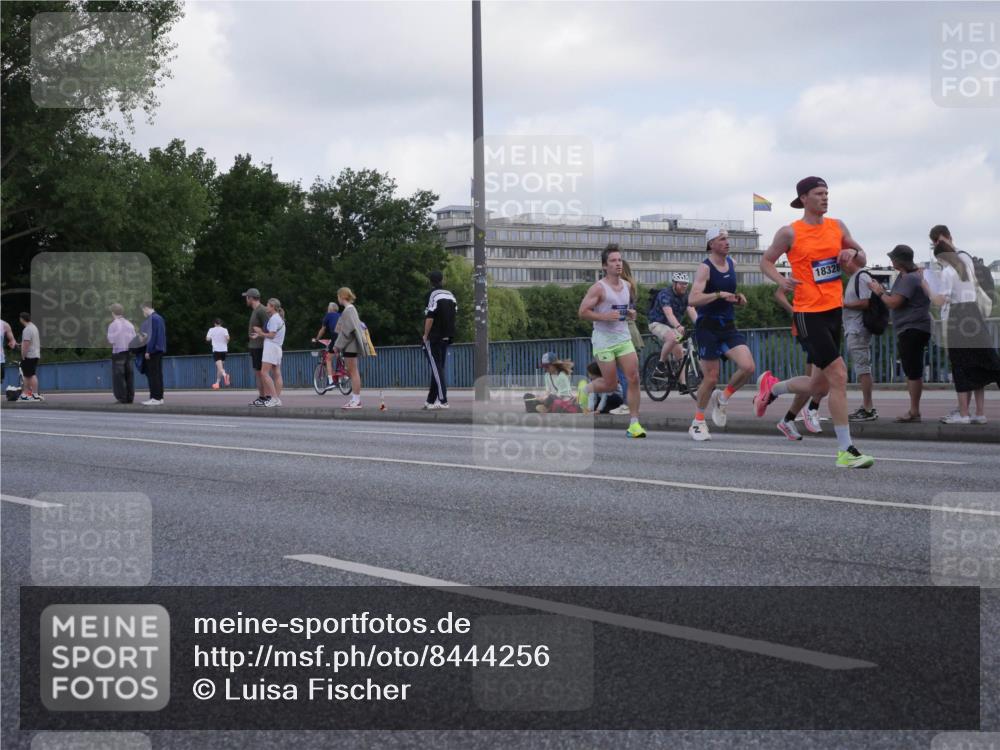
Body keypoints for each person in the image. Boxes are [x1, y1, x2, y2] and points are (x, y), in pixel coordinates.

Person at [758, 176, 874, 468]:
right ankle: (846, 450)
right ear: (804, 199)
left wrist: (852, 253)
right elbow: (766, 261)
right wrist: (781, 280)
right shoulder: (790, 232)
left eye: (827, 193)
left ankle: (772, 389)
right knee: (838, 375)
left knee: (818, 384)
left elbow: (862, 259)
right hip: (808, 313)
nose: (825, 198)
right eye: (819, 193)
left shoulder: (838, 227)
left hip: (834, 311)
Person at [686, 228, 754, 441]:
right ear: (711, 244)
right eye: (722, 239)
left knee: (748, 367)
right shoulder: (705, 268)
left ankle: (722, 398)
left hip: (728, 325)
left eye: (727, 239)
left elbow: (731, 294)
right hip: (707, 327)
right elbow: (692, 300)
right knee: (711, 377)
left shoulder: (732, 263)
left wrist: (739, 299)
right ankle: (697, 422)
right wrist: (716, 295)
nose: (727, 242)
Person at [925, 238, 1000, 424]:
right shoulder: (967, 269)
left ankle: (964, 414)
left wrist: (926, 287)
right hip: (974, 314)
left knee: (961, 364)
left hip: (958, 318)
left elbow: (941, 300)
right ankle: (980, 413)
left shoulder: (948, 273)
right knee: (980, 362)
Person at [576, 244, 646, 438]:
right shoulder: (598, 288)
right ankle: (587, 388)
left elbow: (625, 310)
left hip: (623, 337)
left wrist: (631, 313)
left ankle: (634, 424)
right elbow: (582, 312)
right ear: (604, 266)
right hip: (603, 340)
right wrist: (605, 316)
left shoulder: (628, 286)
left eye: (619, 260)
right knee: (611, 384)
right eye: (613, 261)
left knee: (634, 378)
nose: (618, 264)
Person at [868, 245, 931, 423]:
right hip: (915, 327)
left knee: (913, 371)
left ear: (899, 261)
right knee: (913, 369)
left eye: (893, 258)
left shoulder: (910, 278)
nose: (891, 261)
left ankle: (914, 411)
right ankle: (914, 409)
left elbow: (894, 302)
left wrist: (879, 292)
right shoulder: (910, 276)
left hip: (912, 327)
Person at [773, 287, 825, 439]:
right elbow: (779, 293)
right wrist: (794, 311)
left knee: (810, 383)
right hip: (808, 326)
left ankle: (787, 420)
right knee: (825, 377)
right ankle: (812, 409)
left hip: (824, 327)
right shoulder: (801, 272)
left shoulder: (827, 270)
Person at [841, 253, 878, 422]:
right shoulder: (855, 278)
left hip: (858, 328)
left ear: (851, 261)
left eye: (843, 262)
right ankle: (867, 406)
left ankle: (868, 408)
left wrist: (844, 304)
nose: (841, 266)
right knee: (861, 366)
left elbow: (866, 302)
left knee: (863, 367)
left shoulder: (861, 277)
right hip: (853, 328)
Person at [649, 272, 698, 377]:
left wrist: (700, 324)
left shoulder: (686, 296)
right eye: (681, 284)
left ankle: (683, 384)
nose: (684, 286)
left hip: (673, 327)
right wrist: (679, 327)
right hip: (657, 323)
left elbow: (691, 310)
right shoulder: (665, 294)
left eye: (686, 284)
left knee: (680, 354)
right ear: (674, 284)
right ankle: (660, 365)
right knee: (672, 338)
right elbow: (669, 314)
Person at [423, 270, 457, 410]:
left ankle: (443, 400)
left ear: (430, 281)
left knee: (437, 369)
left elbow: (430, 316)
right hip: (447, 335)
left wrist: (425, 335)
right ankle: (430, 400)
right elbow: (454, 313)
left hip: (434, 336)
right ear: (442, 280)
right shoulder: (451, 295)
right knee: (438, 368)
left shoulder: (432, 295)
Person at [333, 287, 365, 409]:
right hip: (351, 345)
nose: (337, 299)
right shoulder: (350, 310)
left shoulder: (348, 310)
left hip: (350, 346)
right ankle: (355, 399)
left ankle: (356, 400)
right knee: (352, 372)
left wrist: (337, 346)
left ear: (342, 296)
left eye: (338, 296)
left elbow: (346, 331)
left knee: (353, 372)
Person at [254, 298, 285, 407]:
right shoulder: (279, 318)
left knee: (264, 373)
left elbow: (272, 335)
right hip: (278, 347)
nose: (266, 307)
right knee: (277, 373)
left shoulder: (273, 319)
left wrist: (260, 333)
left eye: (267, 305)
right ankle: (277, 399)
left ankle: (274, 398)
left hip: (271, 347)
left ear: (272, 306)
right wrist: (260, 334)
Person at [243, 288, 271, 406]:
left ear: (251, 298)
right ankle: (262, 397)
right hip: (255, 346)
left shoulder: (262, 310)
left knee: (261, 373)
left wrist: (260, 334)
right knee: (258, 373)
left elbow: (270, 328)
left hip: (260, 346)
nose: (246, 299)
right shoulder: (256, 310)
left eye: (246, 297)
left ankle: (266, 397)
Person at [107, 304, 136, 404]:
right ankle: (130, 397)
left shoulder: (113, 325)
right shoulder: (130, 324)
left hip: (118, 353)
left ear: (113, 313)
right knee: (129, 375)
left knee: (119, 376)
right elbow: (134, 340)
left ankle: (122, 397)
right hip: (129, 353)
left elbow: (111, 340)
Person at [139, 303, 166, 405]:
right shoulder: (159, 318)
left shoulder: (152, 319)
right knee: (158, 375)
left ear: (146, 308)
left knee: (153, 375)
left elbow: (151, 336)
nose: (143, 313)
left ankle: (154, 398)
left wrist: (148, 351)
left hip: (153, 350)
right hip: (159, 349)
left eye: (143, 311)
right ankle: (160, 397)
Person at [313, 302, 341, 387]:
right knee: (338, 353)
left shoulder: (328, 316)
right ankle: (343, 372)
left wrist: (317, 339)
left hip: (336, 336)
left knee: (328, 358)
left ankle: (330, 382)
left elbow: (323, 330)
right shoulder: (341, 315)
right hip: (346, 336)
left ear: (330, 309)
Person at [17, 312, 43, 401]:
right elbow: (29, 342)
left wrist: (23, 355)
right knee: (28, 375)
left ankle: (33, 394)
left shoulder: (27, 329)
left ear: (22, 319)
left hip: (29, 355)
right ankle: (27, 393)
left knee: (30, 375)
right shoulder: (34, 327)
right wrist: (21, 344)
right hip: (35, 354)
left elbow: (27, 343)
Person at [206, 318, 230, 390]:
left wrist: (210, 338)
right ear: (221, 323)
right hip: (224, 350)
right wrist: (226, 341)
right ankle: (217, 383)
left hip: (216, 350)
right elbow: (228, 338)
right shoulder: (225, 330)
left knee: (220, 368)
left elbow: (207, 339)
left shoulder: (211, 330)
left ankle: (225, 375)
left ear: (214, 323)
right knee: (219, 368)